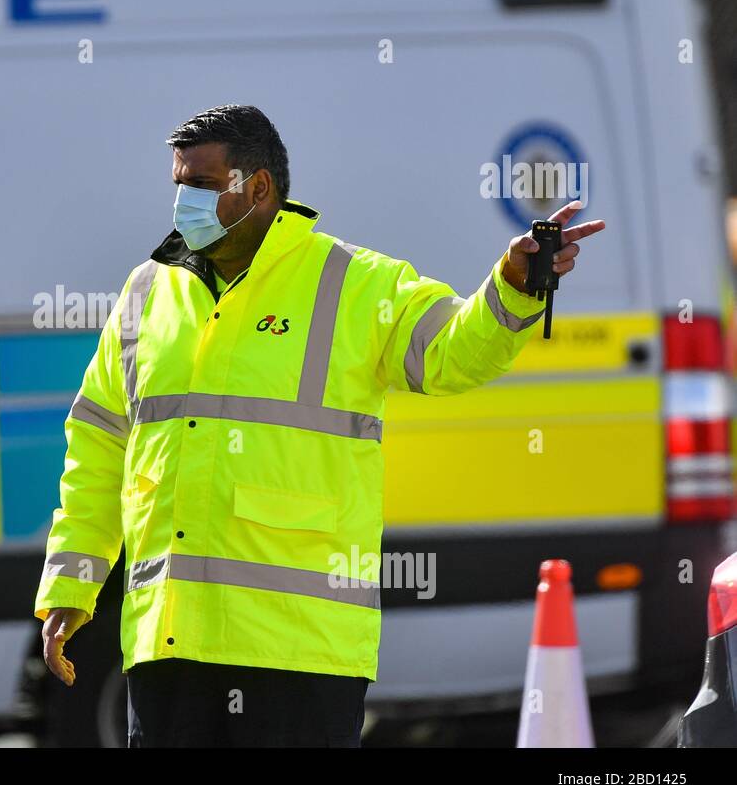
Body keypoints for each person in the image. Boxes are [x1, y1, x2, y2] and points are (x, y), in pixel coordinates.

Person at [34, 105, 606, 747]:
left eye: (201, 185)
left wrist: (513, 287)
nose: (183, 202)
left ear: (259, 190)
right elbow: (98, 446)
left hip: (298, 656)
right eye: (178, 184)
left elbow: (452, 352)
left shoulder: (354, 283)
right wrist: (71, 586)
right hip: (169, 650)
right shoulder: (146, 293)